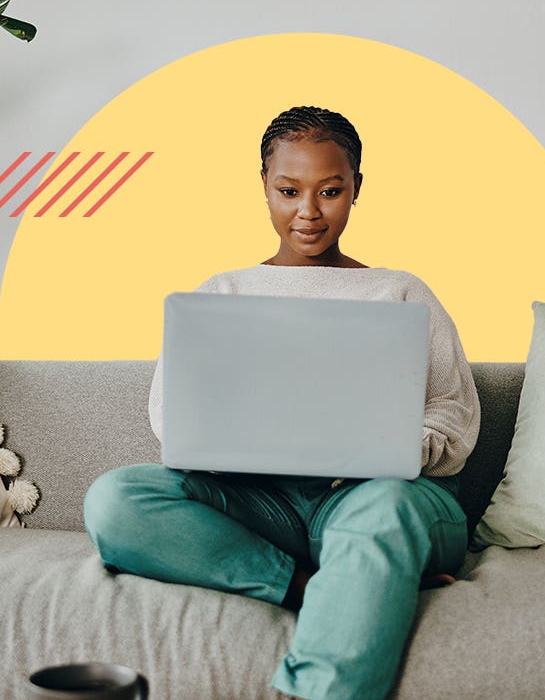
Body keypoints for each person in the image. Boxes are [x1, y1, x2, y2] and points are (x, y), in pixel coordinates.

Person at [82, 105, 481, 700]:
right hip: (262, 507)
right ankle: (320, 585)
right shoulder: (224, 292)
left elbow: (453, 417)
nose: (309, 212)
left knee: (385, 512)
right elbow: (172, 414)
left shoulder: (399, 291)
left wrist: (390, 446)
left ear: (357, 190)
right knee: (116, 499)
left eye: (330, 191)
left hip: (375, 498)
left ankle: (330, 653)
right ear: (264, 188)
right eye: (289, 191)